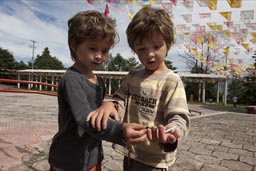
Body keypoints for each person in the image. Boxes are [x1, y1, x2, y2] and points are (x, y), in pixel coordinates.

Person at [88, 7, 191, 171]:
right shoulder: (132, 77)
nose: (149, 54)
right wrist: (111, 104)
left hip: (156, 161)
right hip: (130, 153)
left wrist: (171, 132)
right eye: (142, 49)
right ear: (134, 49)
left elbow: (179, 117)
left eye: (156, 46)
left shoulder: (172, 81)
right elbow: (120, 100)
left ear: (168, 44)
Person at [48, 10, 147, 171]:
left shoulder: (99, 81)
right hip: (69, 158)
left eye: (104, 51)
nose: (99, 56)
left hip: (92, 154)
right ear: (74, 45)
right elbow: (85, 119)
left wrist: (109, 105)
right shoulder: (72, 79)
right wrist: (120, 129)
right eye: (93, 48)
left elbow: (99, 113)